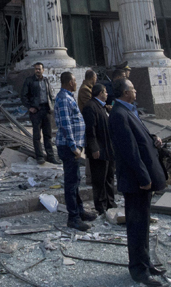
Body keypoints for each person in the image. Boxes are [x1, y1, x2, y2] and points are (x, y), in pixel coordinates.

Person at [108, 78, 166, 287]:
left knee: (143, 223)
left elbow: (139, 138)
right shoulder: (118, 115)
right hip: (135, 180)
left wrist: (154, 138)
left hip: (141, 178)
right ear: (125, 93)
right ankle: (138, 270)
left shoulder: (130, 111)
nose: (135, 90)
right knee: (136, 225)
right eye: (132, 88)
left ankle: (146, 262)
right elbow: (129, 151)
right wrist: (143, 178)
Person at [54, 71, 97, 231]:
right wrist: (73, 147)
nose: (76, 83)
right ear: (68, 82)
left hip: (74, 146)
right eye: (74, 80)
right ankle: (73, 217)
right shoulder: (64, 99)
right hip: (69, 147)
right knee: (71, 183)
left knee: (75, 180)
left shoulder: (68, 96)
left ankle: (79, 211)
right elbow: (65, 125)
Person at [82, 83, 115, 215]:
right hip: (98, 150)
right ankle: (101, 206)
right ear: (100, 93)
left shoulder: (103, 107)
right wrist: (94, 148)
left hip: (108, 149)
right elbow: (90, 130)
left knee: (109, 177)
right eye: (105, 92)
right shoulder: (90, 107)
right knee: (99, 179)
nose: (107, 94)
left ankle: (110, 203)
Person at [19, 62, 59, 165]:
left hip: (46, 110)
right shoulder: (29, 81)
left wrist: (52, 106)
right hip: (36, 111)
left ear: (43, 70)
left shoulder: (46, 80)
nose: (38, 70)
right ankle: (40, 157)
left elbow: (50, 94)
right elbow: (23, 96)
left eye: (39, 69)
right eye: (36, 69)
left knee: (48, 135)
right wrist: (30, 107)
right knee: (37, 136)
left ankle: (50, 156)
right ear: (34, 70)